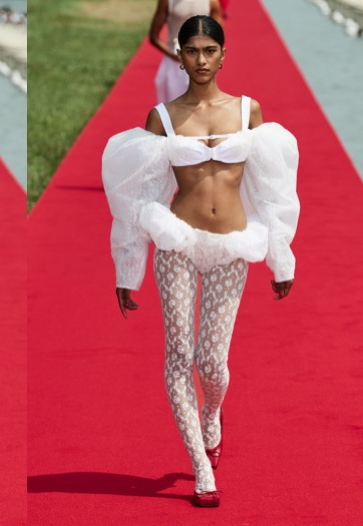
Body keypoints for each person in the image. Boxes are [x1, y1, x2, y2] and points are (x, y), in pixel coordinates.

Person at [103, 15, 298, 508]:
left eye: (210, 50)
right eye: (192, 51)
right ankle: (200, 470)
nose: (201, 60)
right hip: (177, 245)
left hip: (231, 247)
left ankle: (212, 412)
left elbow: (274, 192)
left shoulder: (249, 111)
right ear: (179, 55)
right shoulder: (162, 118)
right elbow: (139, 198)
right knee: (178, 356)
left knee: (211, 362)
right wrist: (128, 270)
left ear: (223, 55)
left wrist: (281, 258)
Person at [149, 0, 223, 103]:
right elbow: (154, 37)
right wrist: (173, 55)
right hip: (174, 63)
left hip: (201, 63)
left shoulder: (211, 2)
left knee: (201, 105)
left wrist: (208, 55)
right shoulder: (167, 2)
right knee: (172, 106)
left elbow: (219, 37)